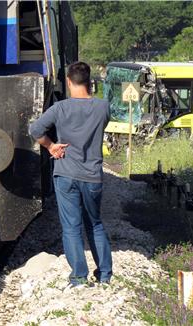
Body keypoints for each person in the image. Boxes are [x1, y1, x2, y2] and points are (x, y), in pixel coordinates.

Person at [29, 61, 112, 287]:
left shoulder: (60, 108)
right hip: (92, 175)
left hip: (66, 174)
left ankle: (78, 277)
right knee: (94, 224)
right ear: (90, 83)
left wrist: (51, 146)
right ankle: (104, 274)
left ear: (68, 81)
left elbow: (35, 130)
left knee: (71, 228)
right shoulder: (103, 107)